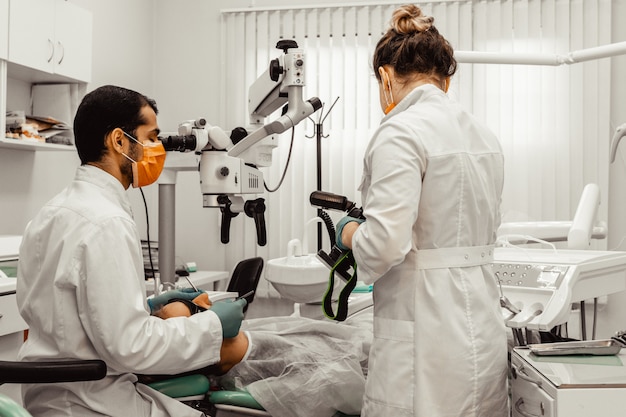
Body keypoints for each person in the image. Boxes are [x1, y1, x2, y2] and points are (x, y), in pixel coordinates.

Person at [16, 85, 247, 417]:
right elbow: (131, 347)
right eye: (151, 138)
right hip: (93, 404)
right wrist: (211, 324)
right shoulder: (106, 221)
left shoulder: (51, 212)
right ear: (119, 141)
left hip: (49, 397)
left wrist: (147, 304)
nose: (156, 149)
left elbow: (64, 309)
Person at [335, 5, 509, 417]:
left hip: (424, 334)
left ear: (385, 77)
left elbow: (383, 246)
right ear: (444, 81)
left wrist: (348, 232)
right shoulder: (484, 134)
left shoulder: (400, 131)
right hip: (481, 324)